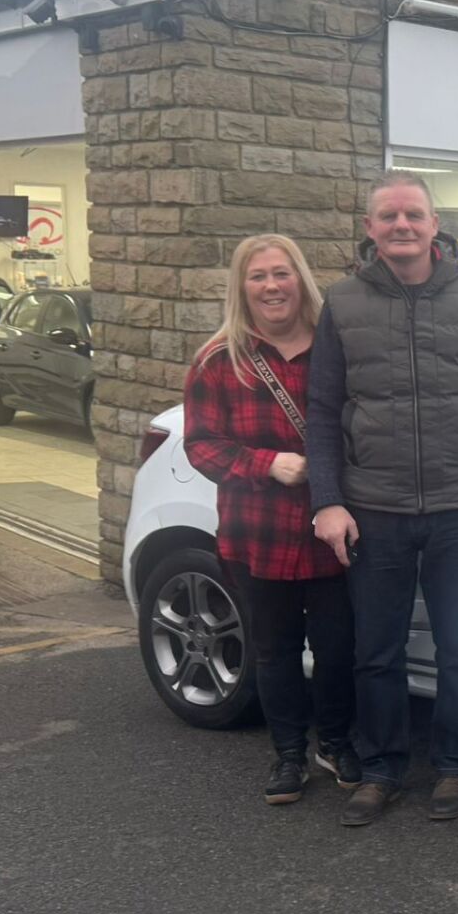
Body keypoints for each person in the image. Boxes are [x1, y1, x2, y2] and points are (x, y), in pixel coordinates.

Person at [309, 173, 458, 827]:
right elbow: (322, 414)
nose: (401, 225)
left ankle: (456, 767)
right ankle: (380, 770)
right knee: (375, 650)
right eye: (388, 216)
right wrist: (329, 501)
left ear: (436, 225)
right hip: (373, 508)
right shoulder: (343, 303)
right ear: (370, 228)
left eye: (413, 214)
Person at [183, 234, 358, 806]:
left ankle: (333, 743)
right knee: (275, 652)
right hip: (255, 532)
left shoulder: (338, 350)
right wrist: (266, 464)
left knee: (337, 649)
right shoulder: (218, 361)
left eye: (281, 274)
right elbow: (200, 447)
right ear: (242, 289)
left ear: (299, 280)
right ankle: (288, 755)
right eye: (257, 277)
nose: (271, 286)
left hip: (331, 532)